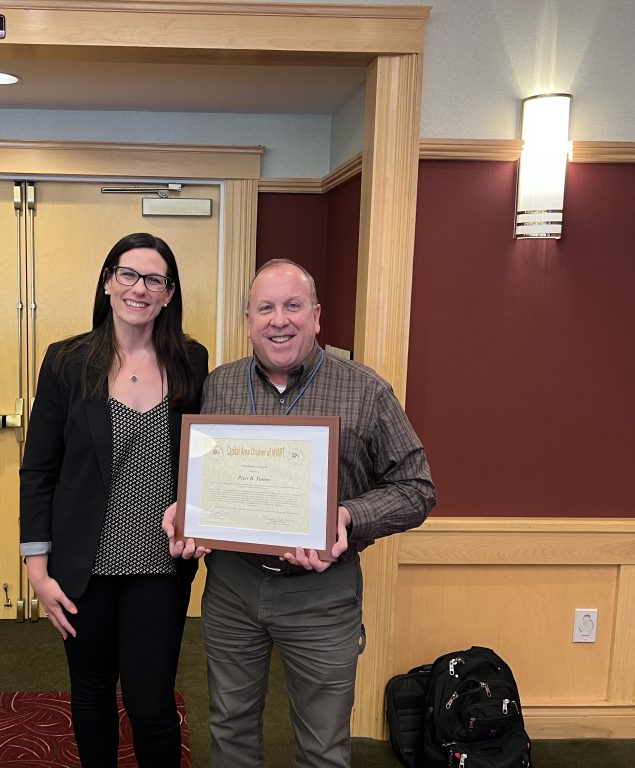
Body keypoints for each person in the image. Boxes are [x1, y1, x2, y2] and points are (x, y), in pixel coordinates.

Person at [163, 259, 436, 767]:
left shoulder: (365, 390)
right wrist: (189, 510)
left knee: (323, 745)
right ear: (248, 320)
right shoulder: (219, 386)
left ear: (316, 317)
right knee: (229, 730)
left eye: (293, 306)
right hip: (233, 588)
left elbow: (418, 488)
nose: (279, 320)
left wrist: (348, 515)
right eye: (265, 308)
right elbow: (203, 475)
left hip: (322, 597)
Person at [20, 232, 207, 768]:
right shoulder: (66, 361)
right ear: (107, 281)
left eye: (154, 279)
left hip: (158, 567)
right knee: (93, 691)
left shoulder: (192, 360)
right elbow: (39, 469)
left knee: (151, 703)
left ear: (169, 294)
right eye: (128, 274)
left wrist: (201, 512)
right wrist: (37, 568)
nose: (139, 288)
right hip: (84, 568)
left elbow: (202, 457)